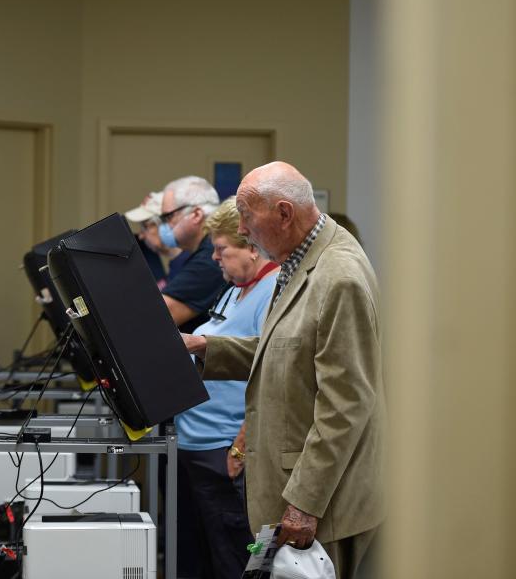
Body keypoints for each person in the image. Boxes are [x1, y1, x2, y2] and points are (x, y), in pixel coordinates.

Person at [182, 162, 385, 579]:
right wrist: (206, 347)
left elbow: (346, 403)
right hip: (293, 490)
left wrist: (304, 503)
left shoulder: (338, 275)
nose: (241, 229)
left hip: (324, 503)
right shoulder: (297, 261)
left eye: (247, 215)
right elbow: (286, 352)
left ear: (284, 213)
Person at [174, 197, 279, 579]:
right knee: (215, 558)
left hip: (227, 452)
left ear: (252, 248)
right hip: (200, 444)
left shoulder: (272, 293)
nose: (214, 258)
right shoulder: (236, 288)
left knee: (238, 560)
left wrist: (242, 445)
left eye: (221, 250)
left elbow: (273, 377)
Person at [158, 176, 225, 333]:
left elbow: (156, 317)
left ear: (196, 214)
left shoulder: (210, 258)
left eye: (168, 217)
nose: (165, 225)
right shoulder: (202, 252)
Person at [125, 191, 189, 288]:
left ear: (167, 223)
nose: (141, 236)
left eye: (145, 227)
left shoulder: (188, 267)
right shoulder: (177, 265)